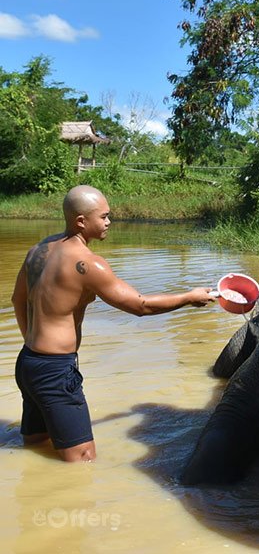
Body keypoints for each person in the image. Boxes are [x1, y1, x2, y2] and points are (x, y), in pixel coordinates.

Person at [11, 185, 214, 462]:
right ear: (81, 221)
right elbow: (140, 306)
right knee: (82, 462)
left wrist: (32, 344)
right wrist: (189, 297)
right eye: (104, 216)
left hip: (28, 364)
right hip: (55, 372)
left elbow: (16, 300)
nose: (109, 222)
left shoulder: (39, 250)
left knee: (35, 447)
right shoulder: (88, 264)